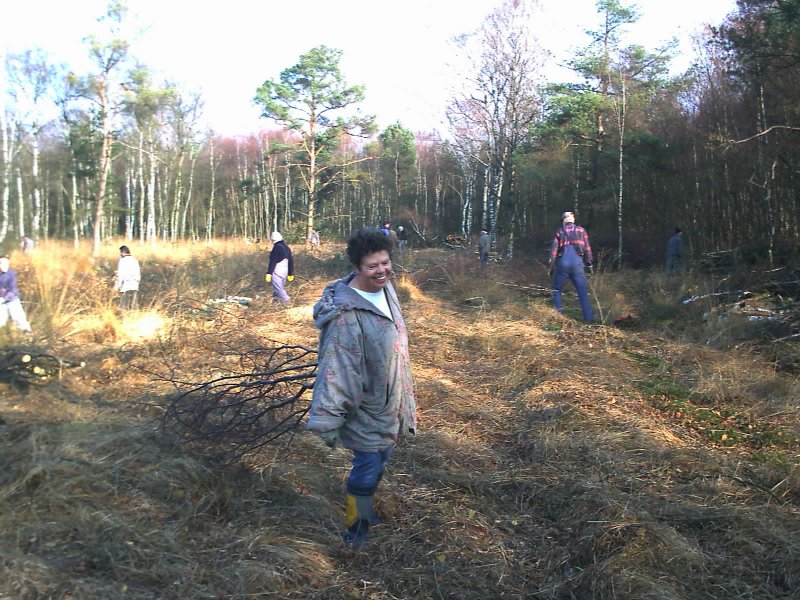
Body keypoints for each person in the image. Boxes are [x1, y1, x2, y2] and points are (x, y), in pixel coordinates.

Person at [307, 227, 417, 551]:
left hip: (390, 401)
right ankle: (355, 532)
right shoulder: (346, 317)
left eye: (385, 262)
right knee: (366, 471)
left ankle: (364, 510)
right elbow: (337, 370)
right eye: (372, 266)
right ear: (357, 267)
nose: (382, 270)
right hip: (365, 408)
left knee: (382, 459)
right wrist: (327, 420)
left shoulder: (386, 290)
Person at [547, 211, 594, 322]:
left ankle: (559, 318)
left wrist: (550, 267)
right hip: (577, 264)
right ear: (573, 220)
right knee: (582, 292)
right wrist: (589, 265)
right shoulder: (581, 231)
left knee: (557, 290)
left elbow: (553, 252)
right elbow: (587, 249)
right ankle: (589, 319)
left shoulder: (560, 232)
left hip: (562, 264)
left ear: (564, 220)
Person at [0, 255, 33, 334]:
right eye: (2, 263)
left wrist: (4, 298)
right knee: (1, 320)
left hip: (12, 300)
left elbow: (12, 289)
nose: (5, 265)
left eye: (6, 263)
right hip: (1, 301)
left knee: (19, 318)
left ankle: (28, 334)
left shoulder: (11, 273)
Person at [266, 231, 294, 304]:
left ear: (273, 240)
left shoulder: (276, 247)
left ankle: (287, 301)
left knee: (278, 288)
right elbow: (291, 261)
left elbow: (273, 261)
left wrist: (269, 273)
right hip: (285, 271)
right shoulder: (287, 248)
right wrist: (290, 273)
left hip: (277, 271)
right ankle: (275, 303)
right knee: (279, 287)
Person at [114, 245, 141, 311]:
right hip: (134, 285)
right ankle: (134, 315)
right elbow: (138, 273)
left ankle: (125, 315)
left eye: (120, 252)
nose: (120, 254)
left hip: (125, 285)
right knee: (134, 305)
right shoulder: (135, 260)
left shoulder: (122, 261)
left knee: (123, 305)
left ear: (123, 252)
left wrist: (117, 286)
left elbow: (120, 274)